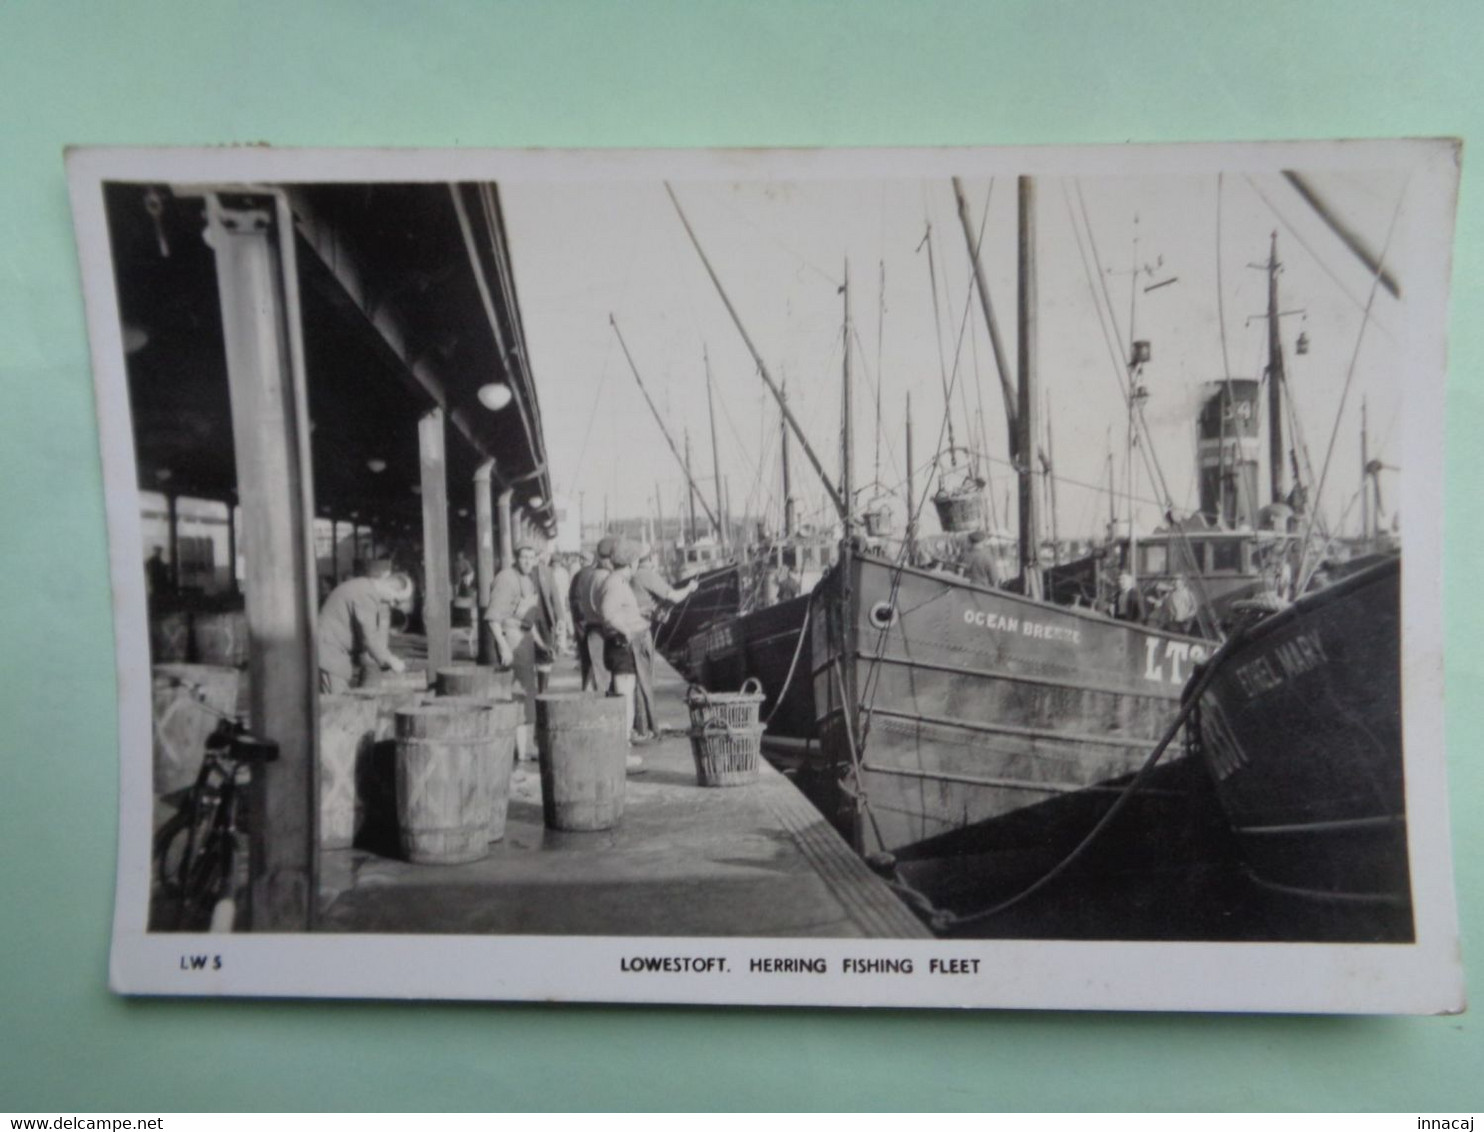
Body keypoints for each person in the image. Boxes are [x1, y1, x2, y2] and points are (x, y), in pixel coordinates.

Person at [629, 546, 699, 740]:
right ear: (651, 558)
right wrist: (690, 588)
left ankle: (647, 725)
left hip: (634, 630)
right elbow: (674, 596)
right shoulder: (646, 575)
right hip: (640, 632)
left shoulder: (634, 575)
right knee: (644, 681)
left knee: (639, 680)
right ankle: (648, 728)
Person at [318, 560, 412, 693]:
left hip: (331, 651)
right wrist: (391, 660)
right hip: (329, 653)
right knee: (337, 705)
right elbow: (370, 639)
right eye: (395, 600)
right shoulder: (366, 596)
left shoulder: (363, 587)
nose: (392, 604)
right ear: (390, 586)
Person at [598, 539, 653, 761]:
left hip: (619, 645)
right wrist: (628, 631)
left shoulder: (616, 581)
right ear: (632, 562)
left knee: (624, 695)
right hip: (621, 646)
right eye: (637, 560)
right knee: (624, 698)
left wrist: (638, 612)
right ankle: (622, 751)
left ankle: (623, 745)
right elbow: (607, 613)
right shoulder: (617, 583)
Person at [571, 539, 616, 693]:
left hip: (589, 629)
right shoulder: (605, 578)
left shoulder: (587, 575)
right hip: (601, 631)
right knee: (602, 678)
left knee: (591, 675)